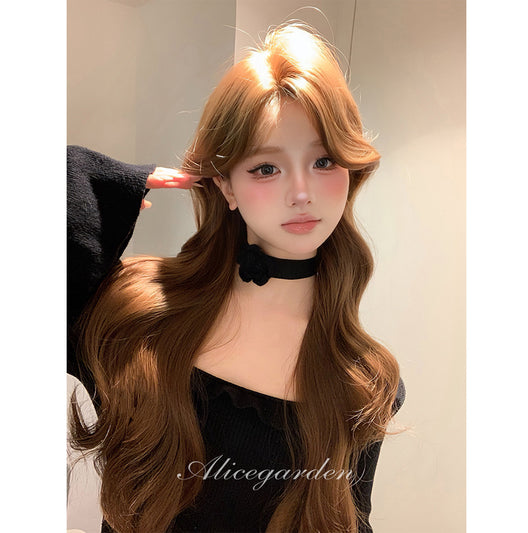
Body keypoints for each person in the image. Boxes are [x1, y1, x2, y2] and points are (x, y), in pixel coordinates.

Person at [67, 22, 406, 533]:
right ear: (224, 185)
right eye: (266, 168)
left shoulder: (363, 380)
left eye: (323, 160)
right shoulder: (138, 317)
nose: (301, 192)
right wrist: (87, 181)